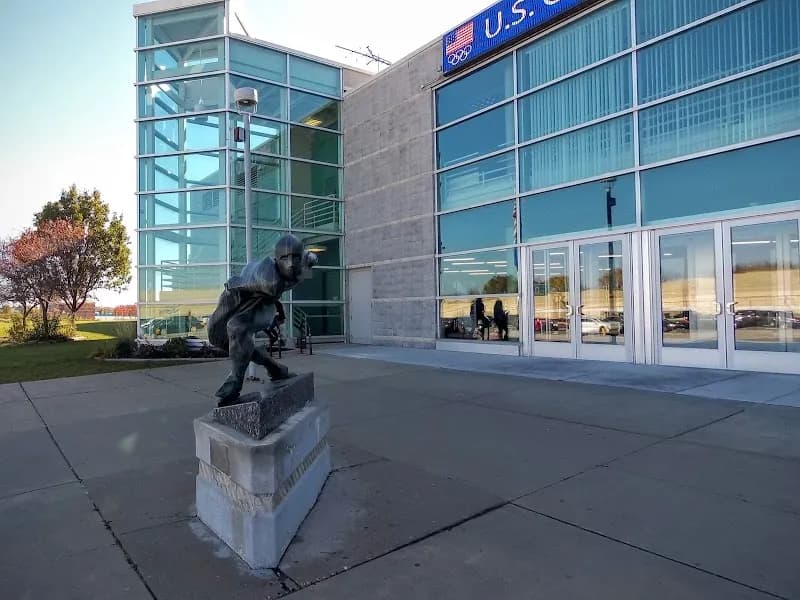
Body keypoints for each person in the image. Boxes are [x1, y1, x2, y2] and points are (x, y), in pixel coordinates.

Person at [208, 234, 317, 406]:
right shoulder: (268, 278)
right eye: (284, 258)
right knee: (219, 336)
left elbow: (307, 259)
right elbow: (243, 282)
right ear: (276, 259)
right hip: (242, 298)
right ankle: (275, 368)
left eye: (295, 258)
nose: (290, 264)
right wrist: (233, 284)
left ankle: (235, 381)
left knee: (237, 328)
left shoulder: (303, 264)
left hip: (263, 306)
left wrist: (310, 258)